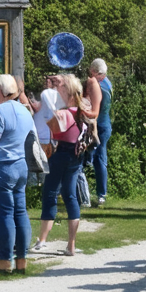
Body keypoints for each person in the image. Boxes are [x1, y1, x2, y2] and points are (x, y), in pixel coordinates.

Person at [32, 74, 89, 255]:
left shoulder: (64, 113)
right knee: (70, 195)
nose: (58, 90)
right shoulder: (82, 111)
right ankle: (71, 245)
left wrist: (45, 108)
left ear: (68, 92)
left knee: (50, 193)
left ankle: (42, 240)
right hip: (75, 156)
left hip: (60, 155)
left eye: (62, 88)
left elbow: (53, 129)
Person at [0, 74, 35, 274]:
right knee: (20, 212)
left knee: (5, 214)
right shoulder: (25, 111)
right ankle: (22, 260)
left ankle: (4, 261)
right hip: (20, 165)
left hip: (1, 166)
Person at [86, 58, 113, 207]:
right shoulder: (108, 82)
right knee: (100, 158)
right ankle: (100, 194)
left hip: (98, 125)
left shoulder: (97, 85)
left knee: (96, 158)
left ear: (94, 71)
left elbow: (91, 105)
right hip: (106, 123)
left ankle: (98, 194)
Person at [30, 75, 63, 157]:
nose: (46, 83)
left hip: (46, 138)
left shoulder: (54, 95)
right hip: (42, 137)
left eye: (49, 82)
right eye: (46, 81)